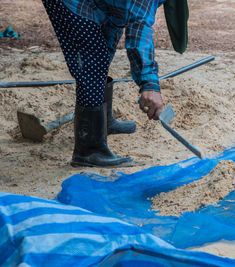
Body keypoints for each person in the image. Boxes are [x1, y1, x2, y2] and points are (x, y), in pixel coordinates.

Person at [41, 0, 188, 167]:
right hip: (69, 3)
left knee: (99, 59)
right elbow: (139, 33)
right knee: (93, 60)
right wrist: (149, 85)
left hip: (99, 6)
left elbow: (115, 20)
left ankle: (102, 124)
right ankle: (89, 151)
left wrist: (103, 61)